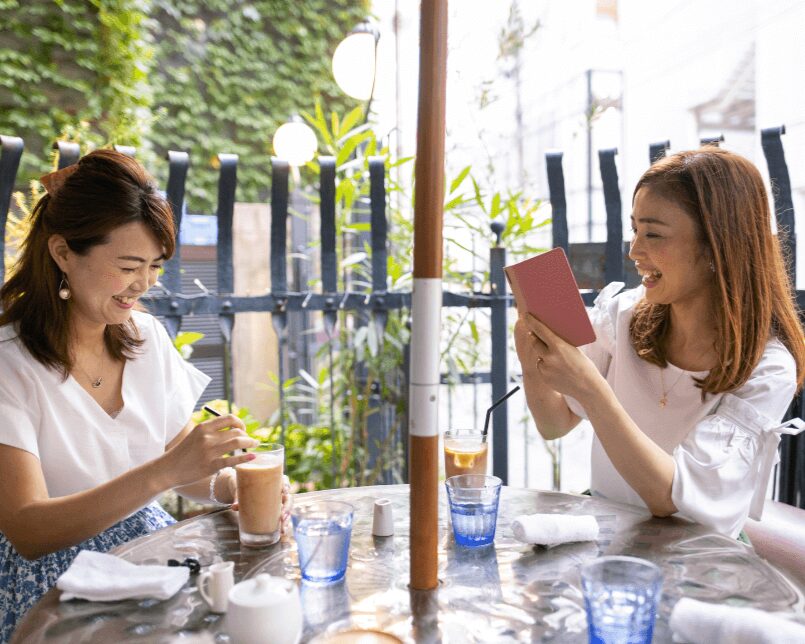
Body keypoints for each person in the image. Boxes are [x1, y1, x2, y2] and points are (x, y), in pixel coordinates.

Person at [0, 149, 289, 642]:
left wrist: (228, 486)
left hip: (147, 559)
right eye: (130, 265)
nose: (145, 284)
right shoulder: (10, 361)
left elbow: (181, 462)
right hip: (51, 585)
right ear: (63, 252)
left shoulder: (145, 337)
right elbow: (28, 530)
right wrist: (166, 471)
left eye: (155, 266)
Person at [514, 147, 805, 539]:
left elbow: (670, 498)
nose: (634, 250)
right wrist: (530, 348)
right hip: (610, 532)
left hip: (700, 558)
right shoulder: (623, 315)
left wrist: (591, 388)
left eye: (653, 233)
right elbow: (553, 423)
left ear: (716, 246)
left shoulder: (768, 367)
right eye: (634, 229)